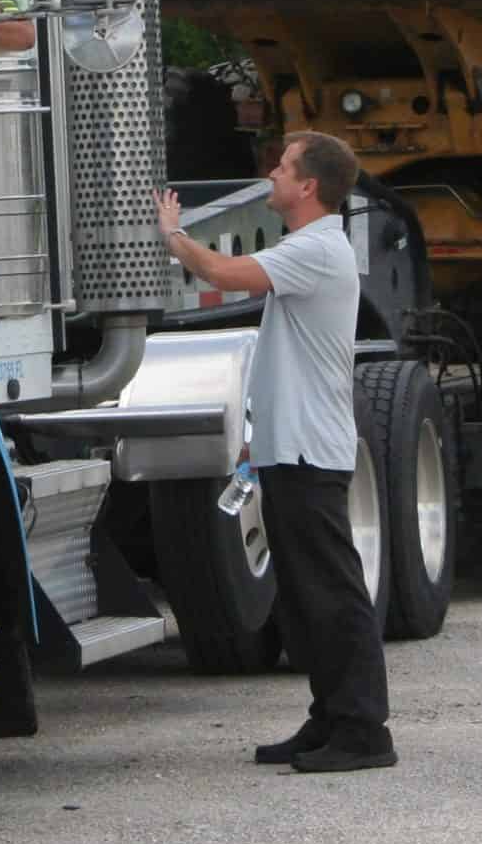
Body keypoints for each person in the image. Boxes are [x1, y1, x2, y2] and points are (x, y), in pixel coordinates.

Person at [155, 133, 394, 773]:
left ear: (309, 186)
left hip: (312, 452)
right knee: (303, 594)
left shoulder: (316, 249)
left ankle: (365, 730)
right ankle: (329, 716)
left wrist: (173, 235)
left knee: (331, 592)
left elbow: (225, 275)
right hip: (292, 448)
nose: (272, 174)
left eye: (283, 167)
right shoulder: (308, 247)